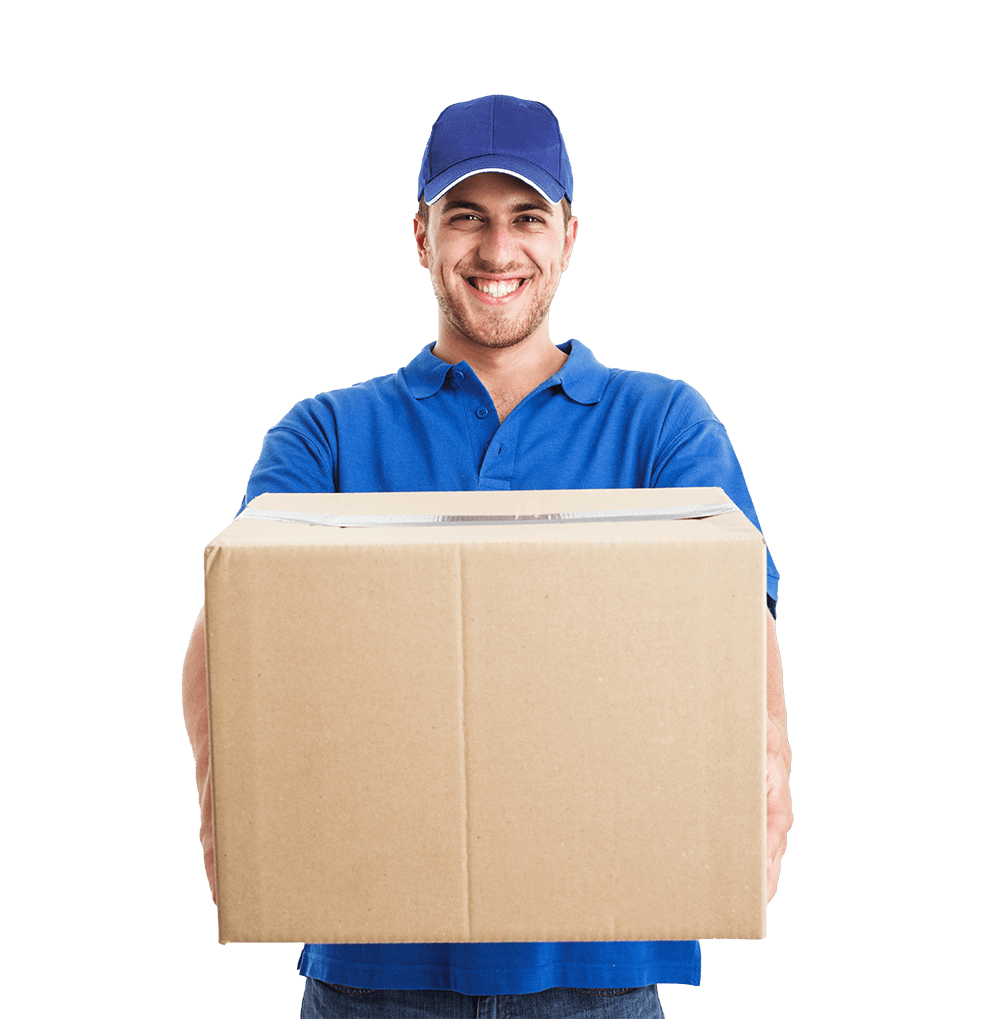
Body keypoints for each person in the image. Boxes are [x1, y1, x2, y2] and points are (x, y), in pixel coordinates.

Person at [182, 94, 793, 1019]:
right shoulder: (328, 436)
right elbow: (228, 632)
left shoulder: (662, 425)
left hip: (599, 965)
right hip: (368, 967)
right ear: (421, 235)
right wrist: (234, 814)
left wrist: (770, 785)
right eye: (466, 218)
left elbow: (736, 625)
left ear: (570, 237)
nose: (497, 251)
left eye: (526, 218)